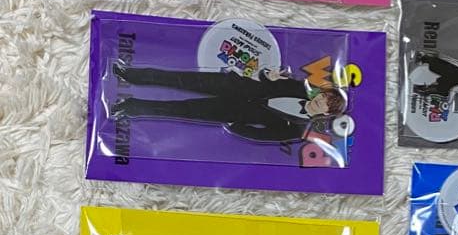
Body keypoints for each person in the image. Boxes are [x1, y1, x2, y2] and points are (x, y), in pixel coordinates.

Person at [110, 61, 347, 144]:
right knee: (177, 78)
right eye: (322, 96)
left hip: (230, 111)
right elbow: (268, 79)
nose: (320, 101)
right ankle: (129, 74)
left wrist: (235, 126)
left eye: (326, 104)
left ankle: (130, 108)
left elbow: (262, 135)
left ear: (327, 113)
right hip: (231, 85)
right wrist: (270, 75)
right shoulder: (298, 87)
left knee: (178, 109)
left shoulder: (296, 129)